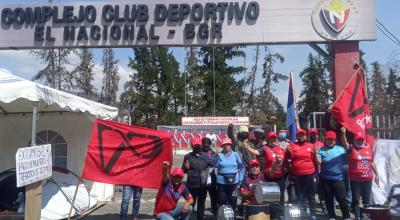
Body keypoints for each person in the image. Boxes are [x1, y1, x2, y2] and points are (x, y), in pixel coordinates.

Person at [341, 127, 379, 220]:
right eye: (358, 140)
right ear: (355, 140)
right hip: (355, 180)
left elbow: (372, 162)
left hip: (367, 179)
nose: (359, 141)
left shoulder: (368, 149)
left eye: (361, 140)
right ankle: (357, 217)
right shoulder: (351, 149)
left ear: (363, 140)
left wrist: (377, 174)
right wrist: (343, 133)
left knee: (366, 200)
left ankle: (364, 217)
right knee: (356, 200)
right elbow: (344, 143)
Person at [244, 131, 286, 205]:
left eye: (274, 138)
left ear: (276, 138)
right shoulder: (265, 148)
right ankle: (271, 213)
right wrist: (248, 147)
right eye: (271, 138)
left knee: (281, 195)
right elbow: (256, 152)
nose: (272, 140)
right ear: (268, 139)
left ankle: (280, 214)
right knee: (270, 195)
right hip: (270, 176)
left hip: (280, 176)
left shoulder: (282, 148)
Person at [315, 131, 350, 220]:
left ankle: (346, 216)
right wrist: (316, 152)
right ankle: (332, 216)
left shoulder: (340, 149)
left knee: (341, 198)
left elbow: (347, 147)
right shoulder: (321, 149)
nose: (330, 141)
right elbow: (319, 162)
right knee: (328, 199)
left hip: (338, 178)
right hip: (325, 179)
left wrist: (343, 134)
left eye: (332, 139)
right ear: (325, 139)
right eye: (328, 139)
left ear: (335, 140)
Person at [287, 129, 318, 219]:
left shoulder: (311, 146)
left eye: (302, 135)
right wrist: (288, 151)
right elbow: (290, 157)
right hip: (297, 175)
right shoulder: (292, 145)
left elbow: (314, 159)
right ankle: (302, 212)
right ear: (296, 137)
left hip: (309, 174)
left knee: (311, 195)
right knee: (300, 195)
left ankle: (313, 214)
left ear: (305, 136)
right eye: (299, 135)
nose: (301, 137)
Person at [182, 137, 211, 220]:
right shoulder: (187, 156)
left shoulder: (206, 156)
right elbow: (183, 170)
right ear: (192, 146)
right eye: (195, 146)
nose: (197, 147)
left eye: (198, 145)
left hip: (203, 185)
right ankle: (189, 218)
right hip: (192, 186)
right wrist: (185, 167)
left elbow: (211, 167)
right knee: (191, 205)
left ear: (201, 145)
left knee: (201, 205)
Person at [213, 137, 245, 211]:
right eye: (225, 145)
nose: (227, 146)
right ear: (222, 146)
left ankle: (232, 217)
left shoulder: (236, 154)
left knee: (233, 202)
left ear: (231, 145)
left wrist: (240, 179)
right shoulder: (219, 155)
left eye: (228, 144)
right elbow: (214, 165)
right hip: (222, 182)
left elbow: (242, 167)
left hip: (234, 182)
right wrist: (215, 156)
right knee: (222, 202)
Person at [308, 128, 327, 214]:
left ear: (317, 134)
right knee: (311, 189)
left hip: (321, 170)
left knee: (321, 189)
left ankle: (323, 206)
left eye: (315, 134)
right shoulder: (307, 144)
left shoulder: (322, 144)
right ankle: (310, 206)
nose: (313, 135)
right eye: (312, 134)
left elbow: (326, 155)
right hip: (311, 170)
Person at [202, 137, 219, 218]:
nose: (206, 145)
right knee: (202, 196)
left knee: (213, 195)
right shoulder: (199, 153)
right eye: (204, 144)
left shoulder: (214, 153)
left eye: (207, 144)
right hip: (202, 178)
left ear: (209, 144)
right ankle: (200, 212)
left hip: (212, 178)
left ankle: (215, 211)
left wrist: (216, 156)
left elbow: (216, 165)